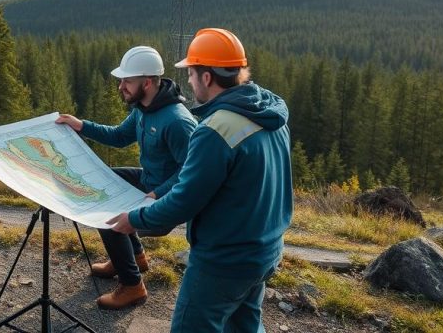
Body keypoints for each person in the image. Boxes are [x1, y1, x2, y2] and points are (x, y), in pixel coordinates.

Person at [106, 28, 293, 332]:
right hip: (266, 251)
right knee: (244, 325)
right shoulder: (270, 114)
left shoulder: (215, 130)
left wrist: (134, 218)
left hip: (223, 260)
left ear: (207, 77)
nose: (189, 82)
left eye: (191, 74)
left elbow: (183, 200)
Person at [55, 45, 196, 310]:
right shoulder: (144, 107)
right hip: (149, 183)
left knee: (109, 219)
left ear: (148, 82)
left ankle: (133, 286)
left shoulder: (178, 122)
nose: (121, 87)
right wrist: (81, 125)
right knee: (102, 184)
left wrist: (157, 194)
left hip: (167, 200)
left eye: (127, 81)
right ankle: (134, 258)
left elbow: (191, 171)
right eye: (122, 80)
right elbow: (119, 137)